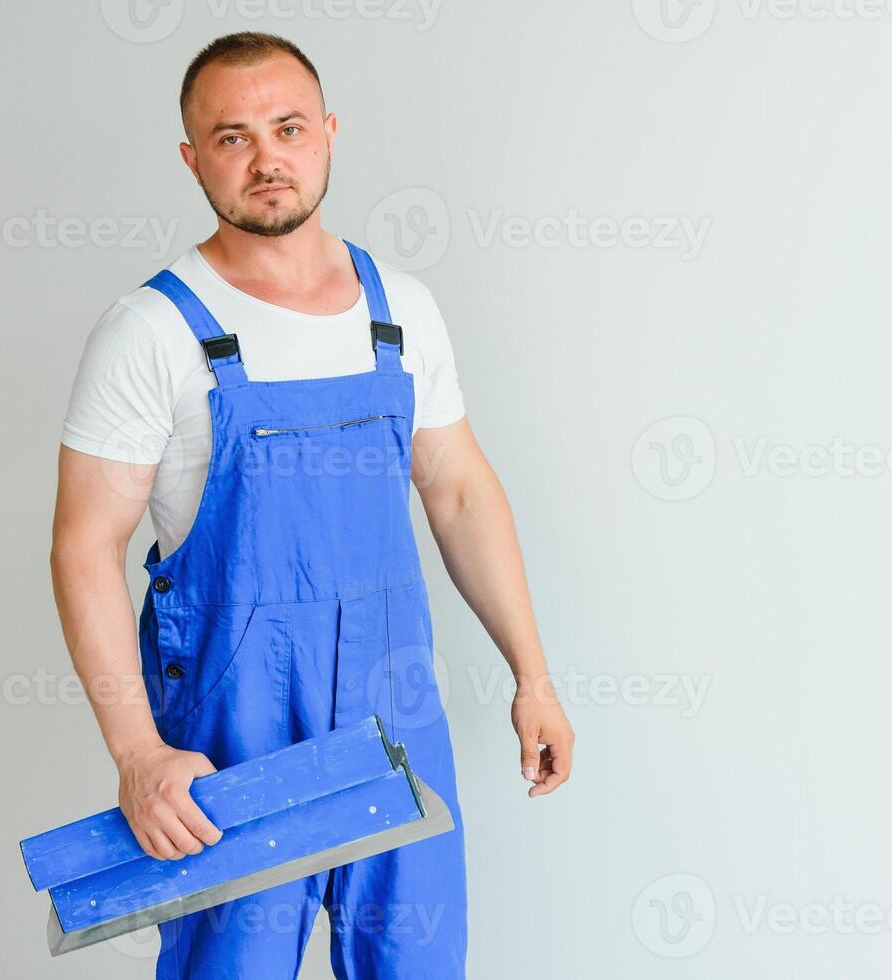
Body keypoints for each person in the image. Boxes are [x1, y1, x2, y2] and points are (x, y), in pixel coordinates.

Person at [48, 31, 573, 979]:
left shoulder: (400, 309)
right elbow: (84, 546)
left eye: (288, 128)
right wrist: (135, 753)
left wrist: (532, 674)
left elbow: (457, 491)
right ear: (192, 157)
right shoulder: (153, 331)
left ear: (328, 133)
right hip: (231, 722)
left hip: (393, 704)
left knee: (415, 961)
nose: (266, 159)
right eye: (232, 137)